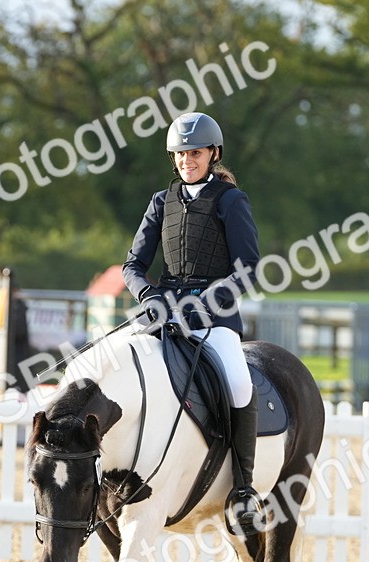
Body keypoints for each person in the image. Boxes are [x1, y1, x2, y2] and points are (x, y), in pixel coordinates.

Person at [120, 111, 264, 537]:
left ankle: (243, 490)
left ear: (213, 154)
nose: (187, 160)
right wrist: (148, 296)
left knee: (238, 384)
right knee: (123, 370)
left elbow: (249, 267)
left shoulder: (230, 201)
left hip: (213, 317)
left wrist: (206, 302)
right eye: (181, 154)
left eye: (195, 153)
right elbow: (133, 264)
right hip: (163, 313)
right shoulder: (160, 202)